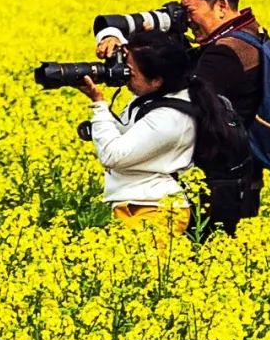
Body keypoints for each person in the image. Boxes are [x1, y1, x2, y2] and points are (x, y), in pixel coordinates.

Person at [78, 30, 238, 239]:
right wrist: (112, 39)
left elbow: (113, 155)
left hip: (156, 211)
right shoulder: (155, 96)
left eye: (130, 72)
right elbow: (117, 28)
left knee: (146, 270)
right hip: (140, 204)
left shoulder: (170, 118)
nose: (124, 75)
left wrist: (99, 105)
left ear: (157, 81)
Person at [178, 0, 265, 229]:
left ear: (221, 6)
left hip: (219, 185)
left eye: (190, 11)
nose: (186, 21)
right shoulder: (252, 33)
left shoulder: (227, 53)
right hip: (240, 179)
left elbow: (184, 105)